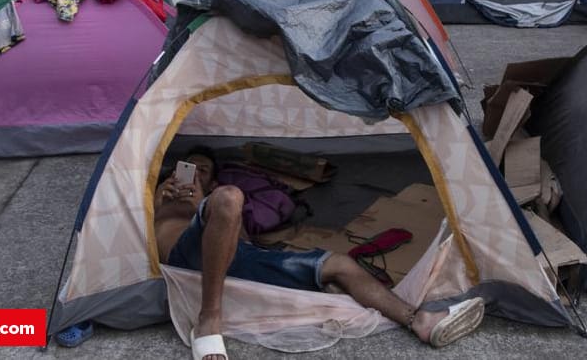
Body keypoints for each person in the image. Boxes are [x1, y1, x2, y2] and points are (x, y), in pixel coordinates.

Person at [157, 148, 486, 360]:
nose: (196, 174)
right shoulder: (163, 194)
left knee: (339, 263)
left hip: (240, 257)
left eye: (203, 170)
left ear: (211, 178)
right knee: (231, 196)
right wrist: (168, 199)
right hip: (186, 257)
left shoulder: (217, 198)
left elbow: (240, 239)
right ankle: (208, 319)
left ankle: (419, 320)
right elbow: (146, 229)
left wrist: (215, 208)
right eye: (191, 168)